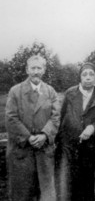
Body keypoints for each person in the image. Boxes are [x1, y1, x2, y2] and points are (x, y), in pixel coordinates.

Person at [5, 55, 60, 201]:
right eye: (33, 68)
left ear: (44, 70)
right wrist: (28, 138)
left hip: (44, 153)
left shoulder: (50, 92)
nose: (36, 72)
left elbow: (56, 117)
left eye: (39, 68)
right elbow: (11, 118)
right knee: (22, 195)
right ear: (27, 70)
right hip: (21, 153)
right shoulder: (15, 91)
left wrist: (44, 135)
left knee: (45, 195)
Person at [55, 63, 95, 201]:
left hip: (89, 146)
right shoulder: (70, 93)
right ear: (80, 77)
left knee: (87, 183)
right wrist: (59, 141)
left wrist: (92, 128)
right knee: (68, 183)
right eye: (85, 74)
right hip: (68, 146)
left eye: (91, 75)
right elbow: (61, 117)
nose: (88, 78)